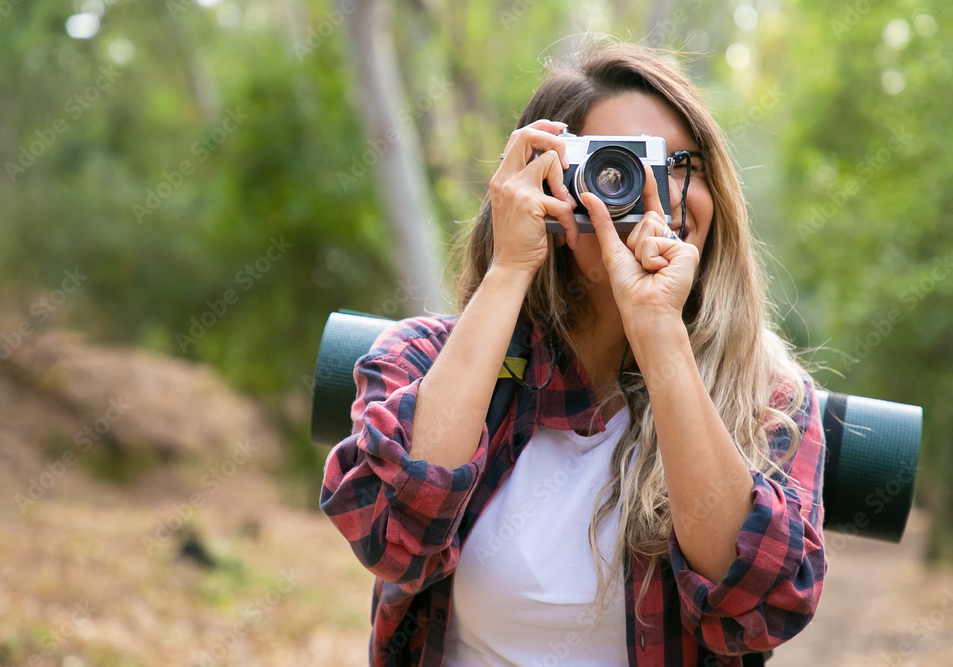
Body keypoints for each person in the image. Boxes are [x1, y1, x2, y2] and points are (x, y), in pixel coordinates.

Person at [321, 41, 826, 667]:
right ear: (548, 193)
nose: (655, 193)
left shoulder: (769, 399)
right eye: (618, 167)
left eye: (680, 164)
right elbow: (393, 536)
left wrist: (659, 331)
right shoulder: (424, 358)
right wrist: (509, 267)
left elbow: (757, 610)